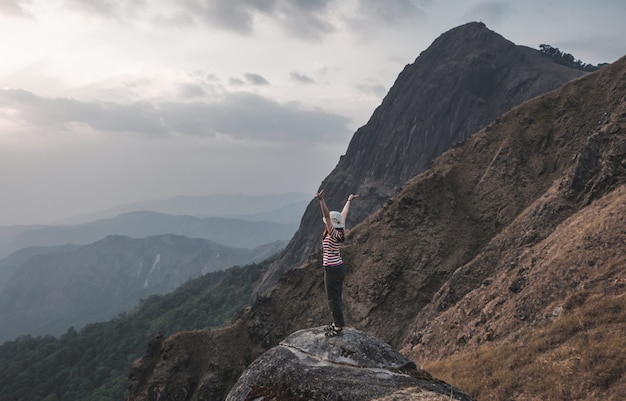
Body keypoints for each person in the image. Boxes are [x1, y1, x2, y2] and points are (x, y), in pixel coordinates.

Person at [315, 189, 359, 337]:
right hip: (339, 267)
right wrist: (349, 200)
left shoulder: (332, 232)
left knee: (332, 298)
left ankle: (338, 326)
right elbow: (344, 214)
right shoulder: (340, 230)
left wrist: (321, 200)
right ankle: (337, 323)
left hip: (332, 269)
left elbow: (327, 216)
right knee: (337, 296)